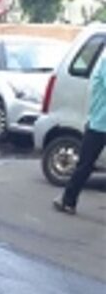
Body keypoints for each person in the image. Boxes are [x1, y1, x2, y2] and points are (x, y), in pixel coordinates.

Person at [53, 56, 105, 215]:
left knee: (85, 164)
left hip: (98, 124)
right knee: (85, 165)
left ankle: (67, 201)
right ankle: (68, 200)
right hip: (99, 123)